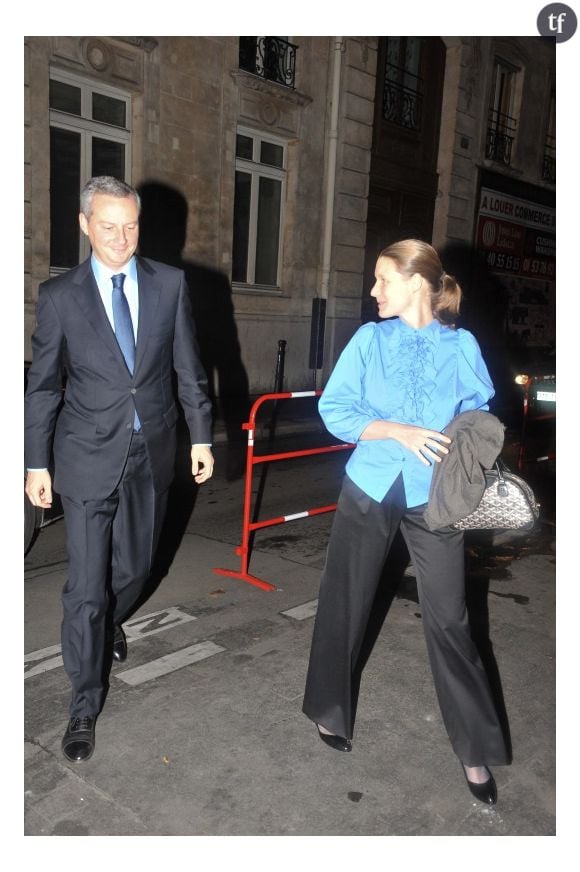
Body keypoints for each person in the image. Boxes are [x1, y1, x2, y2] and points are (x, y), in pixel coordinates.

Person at [302, 239, 509, 805]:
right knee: (347, 601)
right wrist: (398, 430)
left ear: (417, 284)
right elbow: (335, 410)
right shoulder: (370, 340)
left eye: (382, 280)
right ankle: (329, 710)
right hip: (370, 484)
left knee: (451, 620)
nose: (373, 291)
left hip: (434, 498)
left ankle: (473, 749)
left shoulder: (461, 345)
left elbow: (479, 409)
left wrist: (463, 442)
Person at [25, 176, 214, 763]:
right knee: (85, 588)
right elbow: (43, 386)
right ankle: (83, 705)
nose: (120, 238)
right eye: (108, 226)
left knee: (135, 568)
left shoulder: (170, 285)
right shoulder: (59, 297)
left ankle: (108, 623)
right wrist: (35, 460)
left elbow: (188, 368)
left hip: (150, 453)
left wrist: (200, 436)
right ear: (85, 225)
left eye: (130, 226)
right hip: (83, 458)